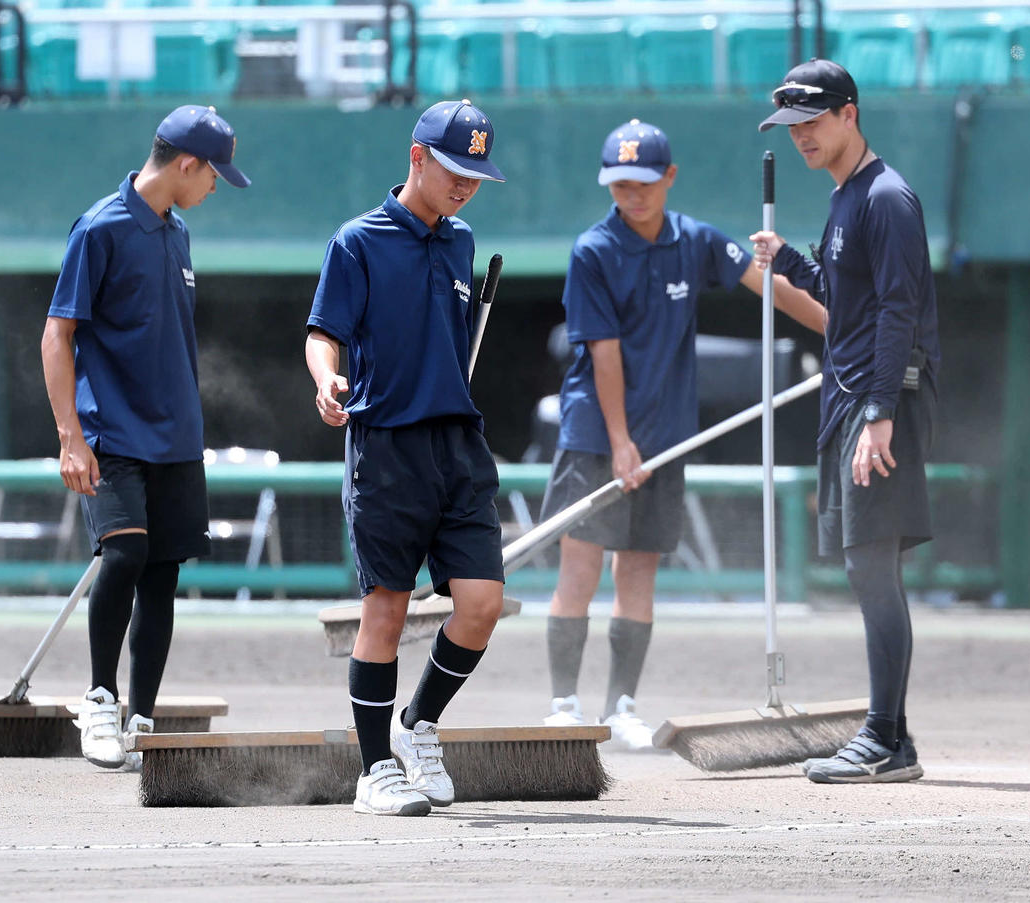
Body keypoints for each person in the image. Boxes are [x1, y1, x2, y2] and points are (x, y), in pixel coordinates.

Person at [539, 119, 826, 750]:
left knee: (638, 569)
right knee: (581, 567)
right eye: (618, 183)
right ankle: (564, 703)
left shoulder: (694, 241)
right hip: (595, 430)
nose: (631, 195)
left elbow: (769, 285)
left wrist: (841, 331)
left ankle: (621, 706)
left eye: (642, 183)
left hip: (666, 434)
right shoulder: (593, 250)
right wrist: (618, 441)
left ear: (668, 178)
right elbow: (604, 354)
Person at [305, 99, 507, 816]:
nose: (465, 186)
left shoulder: (461, 242)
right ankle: (374, 769)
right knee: (385, 610)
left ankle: (418, 722)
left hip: (458, 442)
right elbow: (322, 332)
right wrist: (326, 378)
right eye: (455, 170)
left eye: (477, 176)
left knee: (482, 604)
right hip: (386, 443)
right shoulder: (356, 241)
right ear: (417, 157)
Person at [41, 105, 250, 771]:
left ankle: (143, 721)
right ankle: (100, 700)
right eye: (215, 172)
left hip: (178, 440)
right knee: (125, 557)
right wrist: (71, 437)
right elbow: (57, 334)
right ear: (187, 164)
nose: (218, 184)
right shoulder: (99, 229)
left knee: (162, 577)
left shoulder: (178, 231)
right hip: (112, 433)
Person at [752, 59, 940, 784]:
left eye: (811, 121)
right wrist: (791, 261)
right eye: (791, 126)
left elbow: (899, 309)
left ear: (848, 114)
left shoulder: (887, 198)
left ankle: (885, 736)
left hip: (877, 403)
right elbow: (844, 295)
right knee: (869, 568)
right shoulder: (845, 198)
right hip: (854, 400)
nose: (800, 136)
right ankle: (893, 736)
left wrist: (881, 413)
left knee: (871, 566)